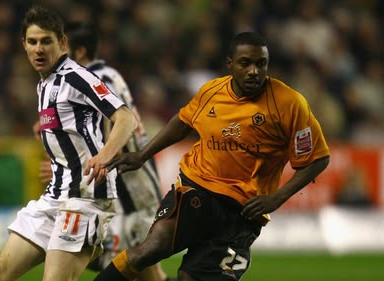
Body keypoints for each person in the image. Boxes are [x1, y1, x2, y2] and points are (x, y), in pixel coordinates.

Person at [94, 31, 330, 281]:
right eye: (245, 63)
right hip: (197, 189)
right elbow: (183, 122)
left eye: (261, 64)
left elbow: (318, 159)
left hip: (243, 212)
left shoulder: (290, 104)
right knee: (150, 249)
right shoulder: (211, 91)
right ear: (230, 64)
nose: (254, 71)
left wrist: (276, 198)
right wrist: (142, 155)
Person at [0, 5, 137, 281]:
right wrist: (59, 166)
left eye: (46, 41)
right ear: (24, 45)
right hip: (56, 195)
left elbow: (125, 118)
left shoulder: (77, 76)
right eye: (32, 42)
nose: (38, 49)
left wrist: (105, 154)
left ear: (62, 42)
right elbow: (72, 134)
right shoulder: (44, 84)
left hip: (86, 198)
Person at [35, 21, 174, 281]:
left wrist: (75, 165)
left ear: (80, 53)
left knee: (135, 265)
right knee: (138, 267)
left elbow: (109, 129)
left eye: (63, 49)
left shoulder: (97, 78)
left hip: (133, 188)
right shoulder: (105, 76)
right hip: (127, 185)